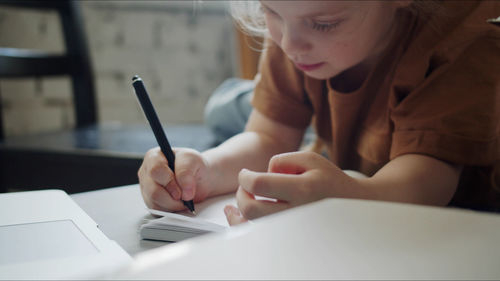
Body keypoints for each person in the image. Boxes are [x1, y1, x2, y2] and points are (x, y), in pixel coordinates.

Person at [138, 0, 500, 225]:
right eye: (269, 11)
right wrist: (206, 170)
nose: (290, 44)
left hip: (465, 221)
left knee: (222, 110)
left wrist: (346, 199)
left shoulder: (463, 41)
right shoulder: (296, 22)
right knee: (225, 112)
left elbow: (427, 182)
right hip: (359, 162)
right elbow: (268, 136)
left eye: (325, 23)